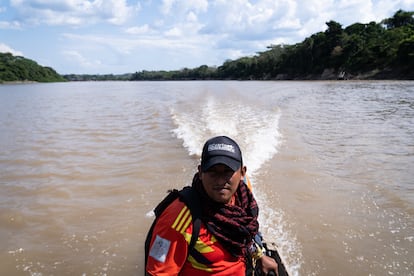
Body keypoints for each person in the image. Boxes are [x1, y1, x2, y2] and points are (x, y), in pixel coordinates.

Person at [145, 136, 278, 275]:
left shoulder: (243, 202)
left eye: (227, 172)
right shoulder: (179, 217)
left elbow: (243, 237)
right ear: (201, 172)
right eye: (213, 172)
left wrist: (258, 256)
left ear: (242, 173)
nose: (220, 180)